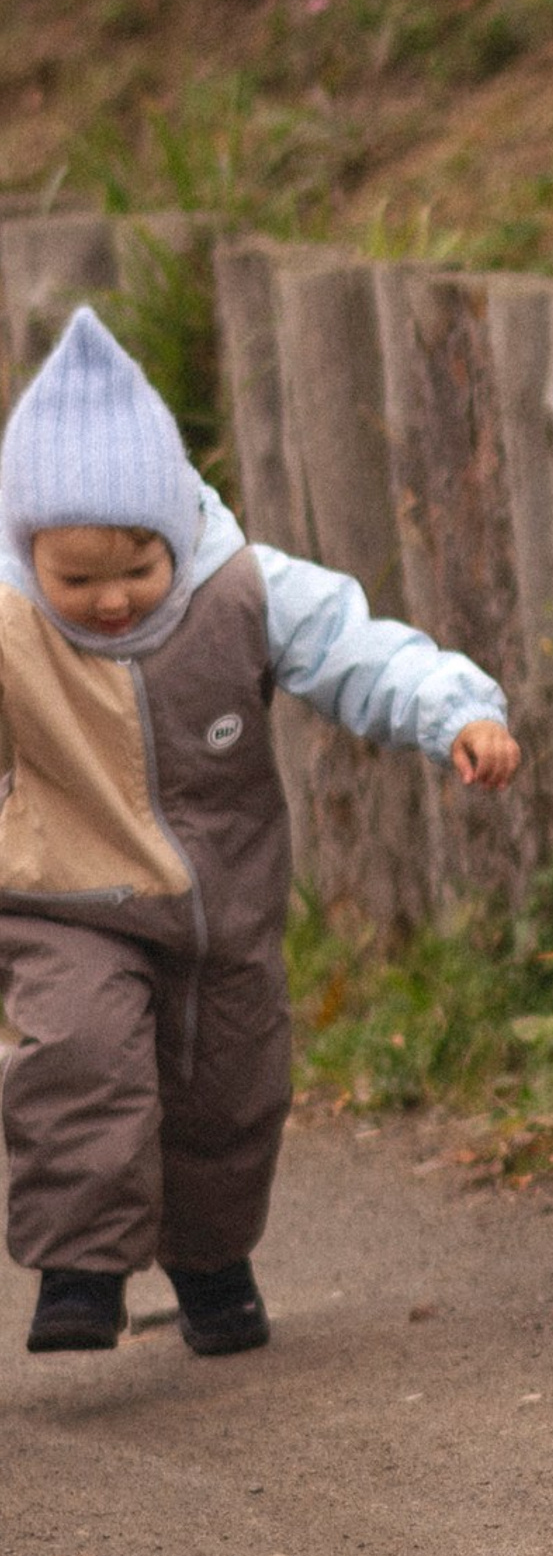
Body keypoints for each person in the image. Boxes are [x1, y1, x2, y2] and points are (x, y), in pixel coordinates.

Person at [0, 304, 520, 1358]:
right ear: (27, 550)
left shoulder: (240, 590)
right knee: (81, 1056)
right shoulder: (8, 622)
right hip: (65, 892)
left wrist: (455, 709)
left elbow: (359, 649)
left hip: (222, 902)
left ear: (178, 529)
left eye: (137, 567)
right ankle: (82, 1268)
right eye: (78, 578)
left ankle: (209, 1263)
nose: (111, 600)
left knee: (230, 1095)